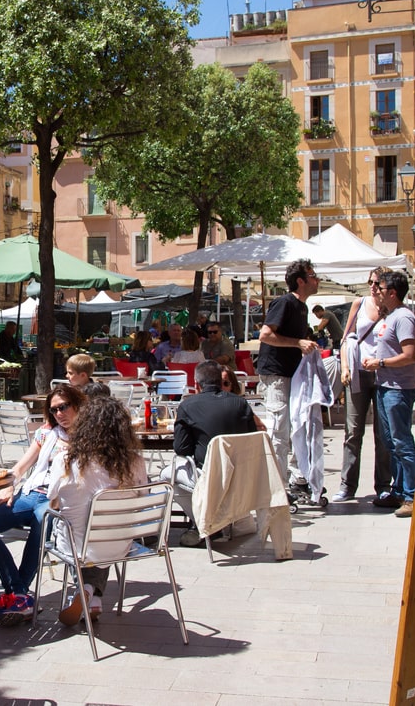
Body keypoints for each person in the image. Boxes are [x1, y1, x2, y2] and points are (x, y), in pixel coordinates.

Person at [0, 383, 85, 626]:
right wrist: (9, 485)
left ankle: (17, 596)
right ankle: (20, 592)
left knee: (42, 521)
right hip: (31, 492)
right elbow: (20, 467)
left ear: (77, 405)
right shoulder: (46, 434)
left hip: (60, 498)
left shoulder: (89, 436)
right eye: (54, 410)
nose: (59, 414)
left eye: (63, 407)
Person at [47, 396, 148, 626]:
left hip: (77, 543)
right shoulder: (134, 462)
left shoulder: (65, 459)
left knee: (73, 528)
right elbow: (142, 499)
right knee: (102, 530)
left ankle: (86, 590)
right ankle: (93, 596)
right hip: (119, 543)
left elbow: (53, 501)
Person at [168, 361, 261, 545]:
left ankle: (204, 522)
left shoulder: (188, 406)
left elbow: (181, 449)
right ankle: (214, 521)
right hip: (242, 476)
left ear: (196, 384)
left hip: (209, 475)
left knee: (169, 475)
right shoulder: (240, 404)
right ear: (222, 381)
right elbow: (252, 438)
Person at [362, 271, 415, 518]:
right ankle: (398, 490)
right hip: (385, 386)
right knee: (390, 441)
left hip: (399, 388)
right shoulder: (390, 315)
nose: (376, 290)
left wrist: (380, 363)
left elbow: (410, 355)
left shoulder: (404, 318)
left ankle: (412, 495)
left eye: (381, 287)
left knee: (402, 441)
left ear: (393, 293)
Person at [257, 259, 321, 482]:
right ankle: (277, 485)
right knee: (279, 430)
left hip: (292, 375)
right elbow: (265, 335)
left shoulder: (302, 307)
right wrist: (298, 343)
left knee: (297, 426)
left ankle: (294, 476)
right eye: (313, 276)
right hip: (276, 374)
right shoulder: (284, 302)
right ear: (301, 281)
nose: (317, 280)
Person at [334, 268, 393, 503]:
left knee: (383, 433)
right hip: (357, 373)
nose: (372, 286)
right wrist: (346, 367)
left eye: (377, 283)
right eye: (370, 282)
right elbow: (346, 338)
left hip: (383, 374)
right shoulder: (359, 304)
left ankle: (383, 486)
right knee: (353, 430)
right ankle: (347, 486)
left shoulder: (394, 309)